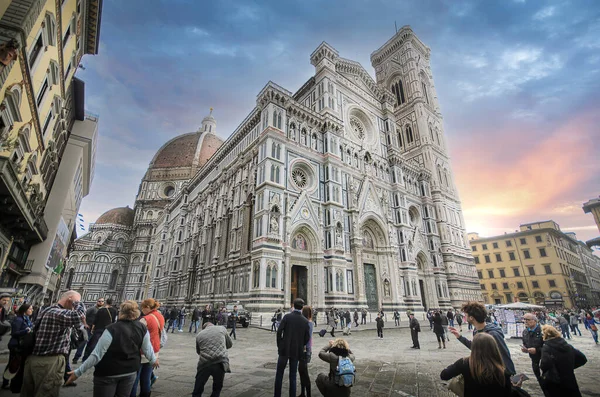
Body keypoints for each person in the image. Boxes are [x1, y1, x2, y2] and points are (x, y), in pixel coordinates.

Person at [65, 301, 159, 396]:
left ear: (121, 312)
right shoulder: (142, 328)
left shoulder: (112, 329)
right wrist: (153, 360)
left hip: (108, 373)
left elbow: (97, 355)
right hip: (130, 372)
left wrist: (78, 372)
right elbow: (147, 349)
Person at [21, 290, 85, 397]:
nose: (75, 306)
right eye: (75, 302)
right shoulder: (55, 313)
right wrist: (78, 302)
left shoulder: (50, 310)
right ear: (70, 299)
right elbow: (79, 315)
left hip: (37, 360)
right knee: (46, 393)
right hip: (48, 363)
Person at [449, 301, 516, 375]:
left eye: (466, 315)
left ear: (471, 318)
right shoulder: (476, 331)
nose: (464, 317)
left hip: (499, 374)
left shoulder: (493, 334)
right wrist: (459, 337)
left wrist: (509, 374)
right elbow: (476, 347)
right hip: (487, 371)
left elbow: (503, 354)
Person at [440, 333, 512, 397]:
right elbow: (507, 392)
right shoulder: (502, 369)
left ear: (474, 348)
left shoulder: (464, 363)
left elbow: (444, 375)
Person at [274, 298, 310, 397]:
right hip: (296, 351)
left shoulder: (287, 317)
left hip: (284, 350)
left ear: (293, 306)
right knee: (293, 376)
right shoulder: (305, 321)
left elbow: (279, 332)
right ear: (302, 307)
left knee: (279, 374)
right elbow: (307, 338)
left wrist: (280, 345)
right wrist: (300, 345)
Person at [540, 324, 587, 397]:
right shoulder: (567, 346)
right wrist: (570, 366)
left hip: (555, 380)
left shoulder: (547, 347)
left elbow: (544, 364)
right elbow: (582, 358)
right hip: (569, 378)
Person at [130, 298, 164, 397]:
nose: (142, 310)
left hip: (143, 352)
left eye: (143, 308)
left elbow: (136, 334)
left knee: (134, 379)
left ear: (148, 307)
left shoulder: (146, 319)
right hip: (154, 351)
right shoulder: (160, 316)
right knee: (146, 378)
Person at [192, 320, 232, 397]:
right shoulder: (221, 329)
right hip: (220, 361)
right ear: (213, 325)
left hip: (205, 363)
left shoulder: (199, 335)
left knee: (198, 387)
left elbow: (198, 351)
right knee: (217, 387)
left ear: (204, 328)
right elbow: (229, 344)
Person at [2, 303, 33, 392]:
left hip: (22, 345)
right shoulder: (18, 320)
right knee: (12, 364)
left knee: (17, 364)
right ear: (24, 310)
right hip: (15, 345)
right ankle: (5, 382)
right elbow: (14, 333)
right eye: (30, 309)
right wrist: (26, 331)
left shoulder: (26, 319)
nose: (32, 310)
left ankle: (12, 382)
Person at [83, 297, 117, 362]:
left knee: (92, 344)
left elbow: (95, 320)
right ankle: (99, 359)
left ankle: (86, 358)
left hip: (98, 329)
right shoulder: (114, 311)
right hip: (107, 330)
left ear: (106, 302)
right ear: (112, 303)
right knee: (103, 345)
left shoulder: (101, 310)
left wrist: (92, 329)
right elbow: (113, 321)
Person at [521, 313, 546, 396]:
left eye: (528, 319)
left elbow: (550, 347)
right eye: (524, 319)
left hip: (546, 359)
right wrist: (525, 349)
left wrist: (537, 350)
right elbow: (525, 343)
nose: (525, 321)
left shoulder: (543, 330)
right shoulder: (525, 332)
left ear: (535, 321)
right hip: (534, 359)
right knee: (538, 377)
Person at [74, 297, 104, 364]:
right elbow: (83, 316)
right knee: (83, 343)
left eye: (102, 301)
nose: (101, 302)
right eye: (99, 301)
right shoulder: (92, 309)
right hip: (88, 328)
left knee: (91, 345)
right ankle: (76, 358)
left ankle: (85, 359)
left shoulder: (102, 310)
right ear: (97, 301)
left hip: (95, 330)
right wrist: (85, 324)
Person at [298, 306, 314, 397]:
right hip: (303, 350)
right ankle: (303, 393)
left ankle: (308, 394)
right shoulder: (305, 322)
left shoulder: (309, 323)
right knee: (301, 371)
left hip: (305, 350)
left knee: (304, 372)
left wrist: (305, 349)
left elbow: (307, 338)